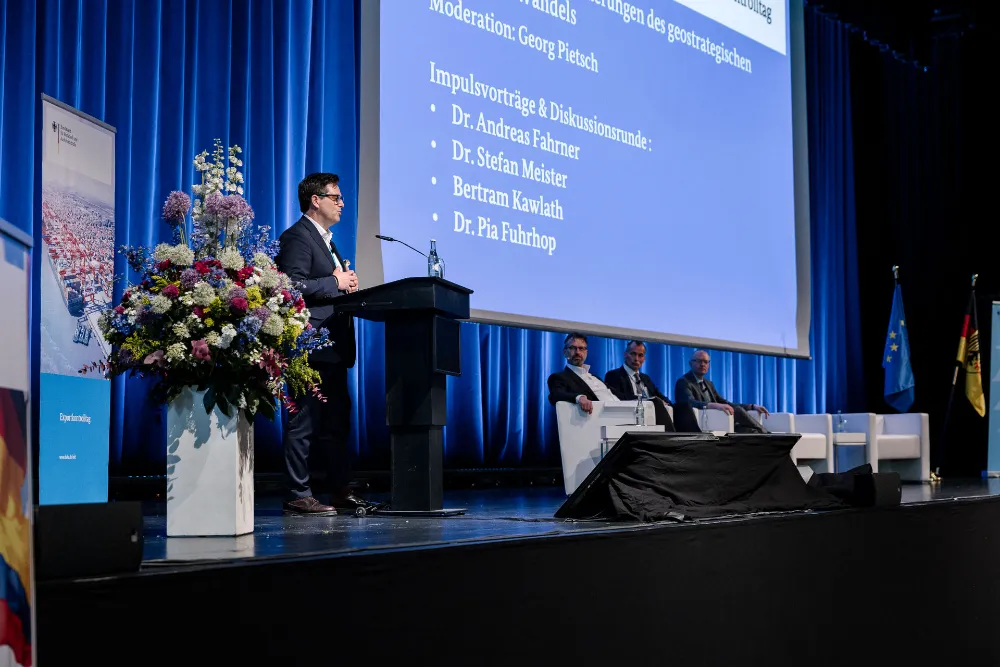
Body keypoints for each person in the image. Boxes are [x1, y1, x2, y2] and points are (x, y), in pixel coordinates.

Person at [275, 172, 365, 515]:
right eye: (335, 197)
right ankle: (297, 493)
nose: (341, 204)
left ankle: (340, 490)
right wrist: (335, 282)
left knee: (336, 423)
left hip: (333, 347)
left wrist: (345, 284)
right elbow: (290, 286)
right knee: (305, 422)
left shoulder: (326, 240)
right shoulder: (298, 237)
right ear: (316, 200)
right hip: (309, 345)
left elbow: (328, 285)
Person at [546, 334, 676, 432]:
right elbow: (556, 394)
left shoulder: (594, 376)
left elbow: (621, 395)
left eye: (581, 348)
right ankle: (672, 447)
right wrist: (579, 397)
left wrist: (646, 400)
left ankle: (670, 444)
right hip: (606, 415)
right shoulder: (559, 377)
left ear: (586, 352)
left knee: (656, 402)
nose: (578, 352)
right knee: (655, 404)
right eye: (573, 348)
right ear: (565, 352)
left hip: (625, 409)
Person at [674, 349, 769, 433]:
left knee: (752, 432)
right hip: (701, 423)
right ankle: (766, 433)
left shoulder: (708, 383)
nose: (702, 364)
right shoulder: (684, 382)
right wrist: (714, 405)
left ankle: (763, 434)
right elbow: (689, 403)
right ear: (690, 363)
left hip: (721, 421)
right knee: (737, 410)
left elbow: (725, 402)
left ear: (709, 365)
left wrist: (751, 406)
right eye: (699, 361)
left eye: (706, 362)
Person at [603, 340, 676, 431]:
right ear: (625, 355)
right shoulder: (614, 375)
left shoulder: (645, 378)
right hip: (632, 414)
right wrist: (648, 400)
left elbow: (658, 394)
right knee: (656, 401)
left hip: (652, 412)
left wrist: (668, 403)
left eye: (640, 355)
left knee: (682, 407)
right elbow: (619, 398)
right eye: (633, 354)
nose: (636, 359)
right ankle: (671, 437)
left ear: (644, 359)